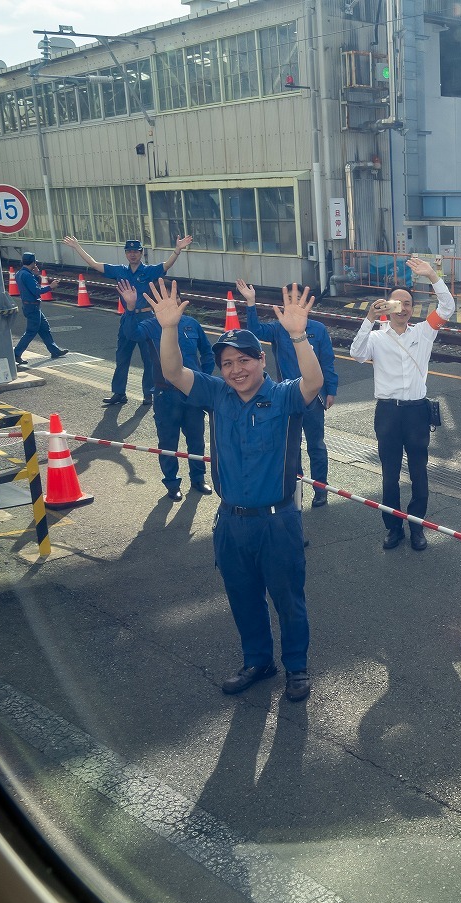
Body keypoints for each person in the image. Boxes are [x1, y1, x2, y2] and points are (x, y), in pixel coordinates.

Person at [143, 278, 322, 701]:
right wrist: (169, 328)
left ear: (262, 360)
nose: (236, 369)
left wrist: (297, 336)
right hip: (231, 522)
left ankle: (297, 667)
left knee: (288, 601)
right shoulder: (217, 394)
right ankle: (258, 660)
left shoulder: (282, 396)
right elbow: (172, 371)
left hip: (278, 523)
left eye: (245, 360)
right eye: (227, 363)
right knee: (242, 598)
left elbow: (313, 383)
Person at [348, 256, 455, 550]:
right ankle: (393, 527)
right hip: (388, 413)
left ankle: (417, 527)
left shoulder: (424, 331)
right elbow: (356, 353)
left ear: (412, 308)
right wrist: (369, 318)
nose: (402, 308)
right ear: (386, 308)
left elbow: (448, 308)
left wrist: (432, 275)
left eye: (407, 303)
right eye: (396, 303)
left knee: (420, 473)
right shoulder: (377, 338)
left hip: (417, 412)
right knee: (390, 475)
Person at [236, 279, 338, 507]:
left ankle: (321, 488)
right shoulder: (277, 328)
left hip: (315, 397)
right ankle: (295, 488)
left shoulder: (318, 330)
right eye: (288, 299)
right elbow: (254, 332)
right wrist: (250, 304)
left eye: (296, 298)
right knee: (291, 446)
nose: (293, 303)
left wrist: (331, 390)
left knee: (316, 445)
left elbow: (328, 362)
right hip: (287, 397)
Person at [62, 234, 193, 407]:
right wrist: (77, 247)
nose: (132, 254)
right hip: (128, 317)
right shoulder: (119, 271)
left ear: (141, 253)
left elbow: (166, 265)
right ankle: (119, 393)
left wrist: (177, 250)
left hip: (146, 316)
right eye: (129, 251)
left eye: (136, 251)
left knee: (149, 358)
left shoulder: (148, 271)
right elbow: (94, 264)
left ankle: (149, 393)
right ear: (125, 254)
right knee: (122, 356)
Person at [116, 280, 214, 502]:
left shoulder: (192, 324)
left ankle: (198, 479)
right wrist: (130, 308)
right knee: (168, 442)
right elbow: (131, 333)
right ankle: (172, 483)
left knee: (196, 440)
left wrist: (204, 379)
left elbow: (208, 353)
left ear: (180, 301)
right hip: (165, 394)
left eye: (174, 299)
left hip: (192, 394)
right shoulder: (151, 326)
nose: (172, 304)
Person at [13, 253, 68, 365]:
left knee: (44, 328)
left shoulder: (20, 273)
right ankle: (16, 353)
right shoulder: (27, 275)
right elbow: (36, 291)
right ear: (33, 262)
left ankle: (54, 350)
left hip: (30, 306)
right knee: (31, 332)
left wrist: (36, 275)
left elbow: (31, 286)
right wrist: (50, 287)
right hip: (32, 306)